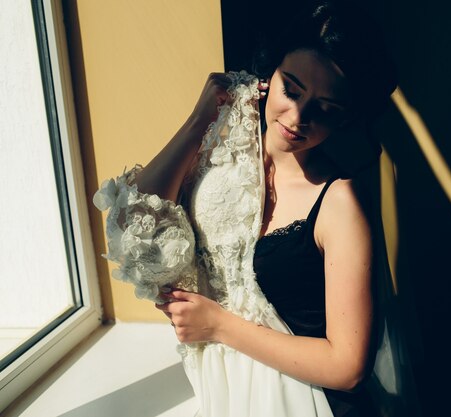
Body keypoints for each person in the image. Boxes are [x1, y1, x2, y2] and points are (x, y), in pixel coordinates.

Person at [97, 2, 402, 416]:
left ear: (344, 119)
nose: (297, 117)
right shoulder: (218, 151)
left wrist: (219, 326)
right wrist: (198, 120)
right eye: (290, 90)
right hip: (223, 387)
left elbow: (348, 367)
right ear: (269, 74)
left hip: (301, 399)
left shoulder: (340, 202)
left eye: (325, 109)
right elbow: (129, 225)